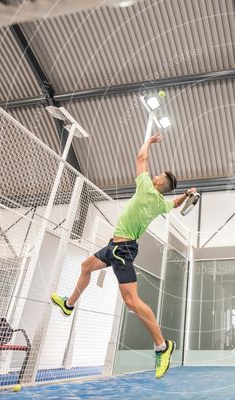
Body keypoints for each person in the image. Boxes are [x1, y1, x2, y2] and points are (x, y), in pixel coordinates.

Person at [51, 132, 196, 379]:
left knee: (131, 301)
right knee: (86, 266)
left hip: (123, 249)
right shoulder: (160, 202)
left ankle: (163, 346)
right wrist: (187, 194)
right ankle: (69, 304)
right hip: (114, 246)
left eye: (158, 176)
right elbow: (173, 205)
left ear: (159, 184)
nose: (154, 175)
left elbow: (140, 157)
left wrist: (149, 141)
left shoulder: (146, 189)